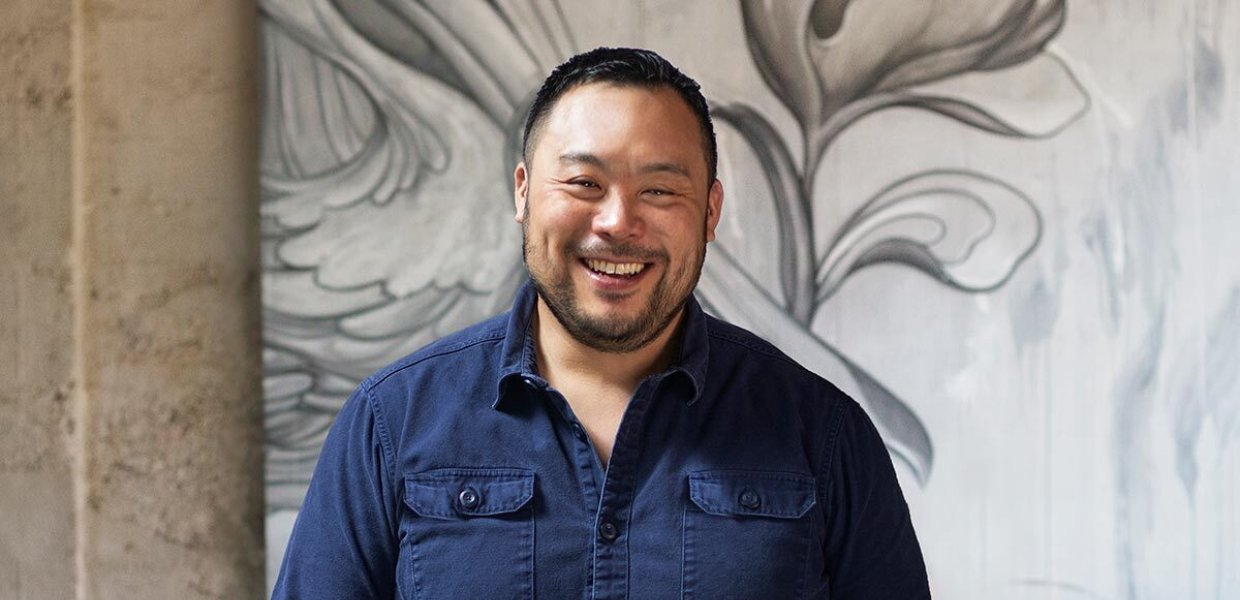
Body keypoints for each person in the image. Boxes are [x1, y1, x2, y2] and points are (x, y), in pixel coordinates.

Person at [273, 47, 930, 599]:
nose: (617, 222)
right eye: (584, 183)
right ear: (524, 193)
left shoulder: (824, 434)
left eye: (660, 190)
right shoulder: (391, 422)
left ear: (709, 211)